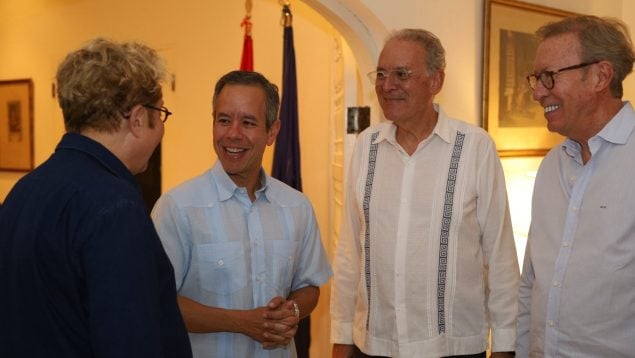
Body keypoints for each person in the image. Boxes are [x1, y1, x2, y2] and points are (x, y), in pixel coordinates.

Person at [330, 29, 519, 358]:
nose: (387, 85)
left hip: (453, 348)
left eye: (402, 74)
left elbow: (500, 258)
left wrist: (504, 346)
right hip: (372, 345)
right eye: (382, 74)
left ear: (436, 81)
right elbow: (350, 252)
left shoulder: (475, 148)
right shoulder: (365, 147)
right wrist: (342, 337)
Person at [0, 38, 192, 357]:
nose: (161, 129)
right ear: (138, 118)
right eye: (161, 113)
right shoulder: (115, 208)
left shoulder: (24, 190)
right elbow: (129, 341)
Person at [151, 70, 332, 357]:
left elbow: (309, 286)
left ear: (272, 132)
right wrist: (241, 322)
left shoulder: (297, 207)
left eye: (248, 122)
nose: (233, 133)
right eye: (223, 120)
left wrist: (291, 311)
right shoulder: (177, 207)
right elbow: (156, 302)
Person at [517, 15, 635, 357]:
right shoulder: (551, 166)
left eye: (549, 77)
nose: (538, 92)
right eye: (535, 79)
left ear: (600, 76)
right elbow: (532, 282)